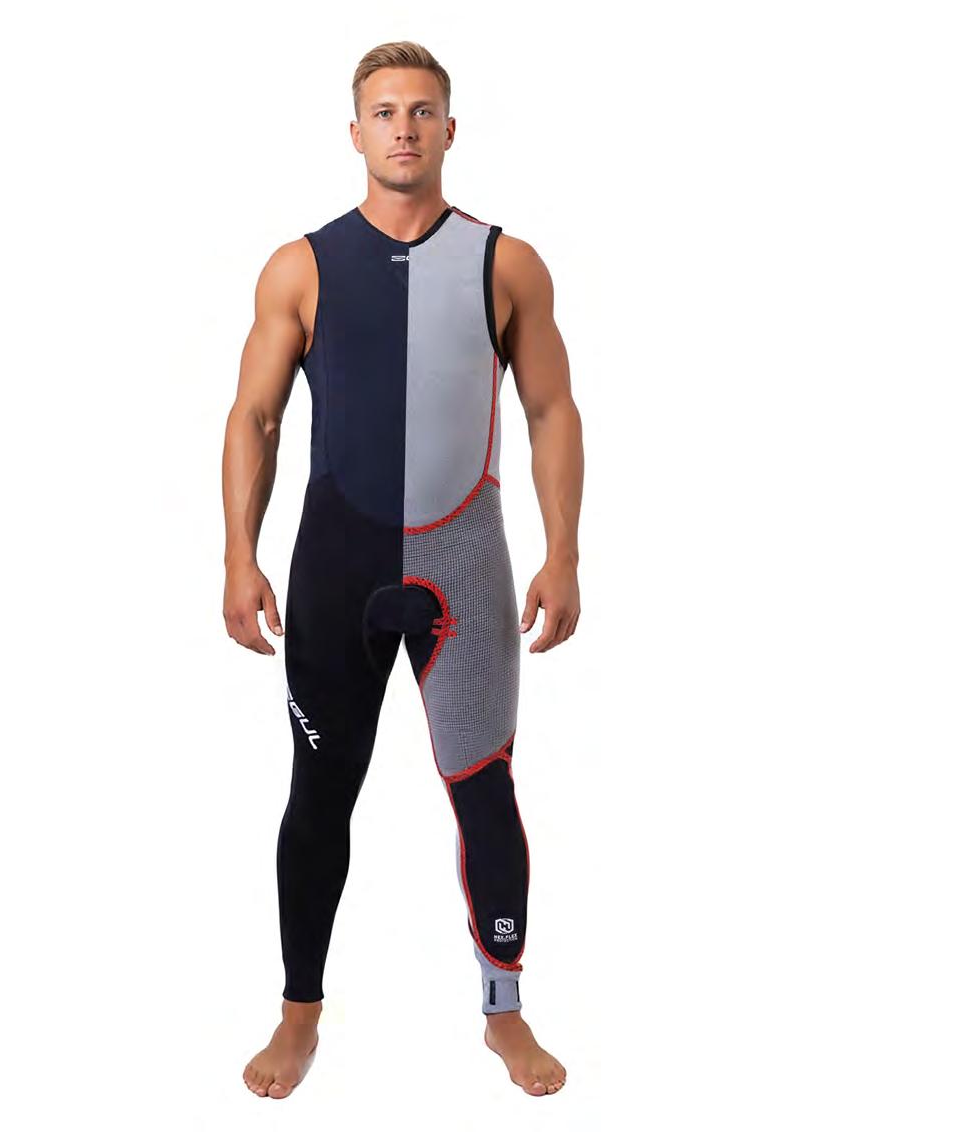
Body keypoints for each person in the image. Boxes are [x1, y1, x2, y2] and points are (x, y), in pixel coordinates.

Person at [222, 40, 583, 1099]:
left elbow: (551, 409)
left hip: (462, 564)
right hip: (335, 567)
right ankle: (299, 1013)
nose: (404, 128)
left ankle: (504, 1011)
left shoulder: (506, 263)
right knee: (318, 793)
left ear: (450, 129)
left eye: (422, 110)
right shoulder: (300, 266)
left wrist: (563, 551)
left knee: (484, 788)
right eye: (384, 112)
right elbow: (253, 417)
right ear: (355, 133)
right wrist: (238, 554)